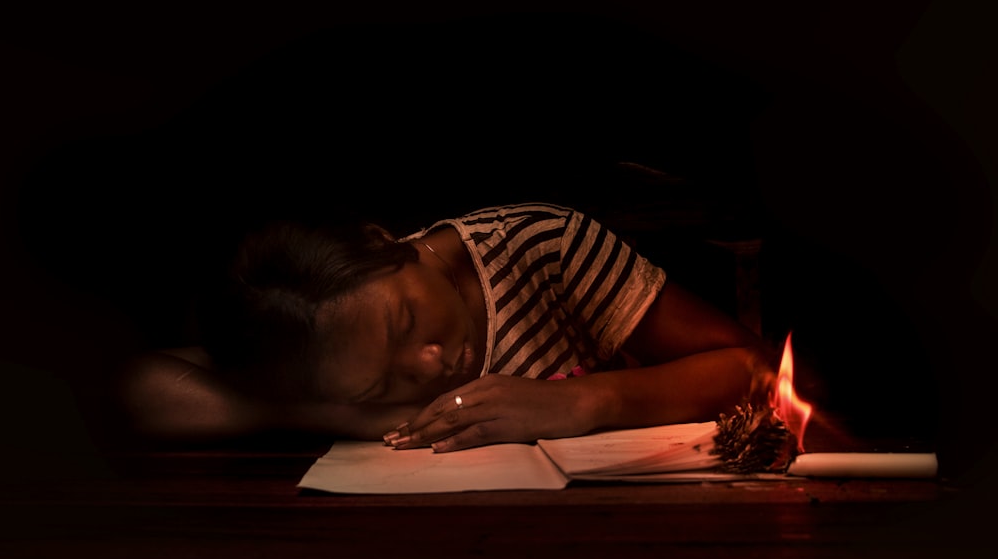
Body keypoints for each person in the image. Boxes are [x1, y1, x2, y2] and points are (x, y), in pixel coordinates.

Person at [114, 202, 780, 452]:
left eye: (406, 319)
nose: (430, 363)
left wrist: (576, 402)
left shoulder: (541, 249)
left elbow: (747, 364)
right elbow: (143, 389)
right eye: (383, 383)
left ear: (385, 242)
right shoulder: (323, 366)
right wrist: (350, 414)